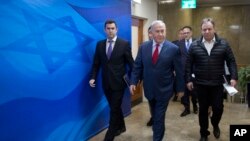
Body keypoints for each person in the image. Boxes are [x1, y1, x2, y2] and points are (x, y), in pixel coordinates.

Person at [130, 20, 184, 141]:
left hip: (165, 90)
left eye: (162, 31)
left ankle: (157, 137)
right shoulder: (144, 47)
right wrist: (133, 81)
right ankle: (158, 131)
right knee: (155, 116)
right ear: (151, 33)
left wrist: (180, 89)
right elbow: (138, 66)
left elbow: (179, 71)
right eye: (157, 31)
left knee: (158, 117)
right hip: (149, 89)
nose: (160, 34)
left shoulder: (173, 49)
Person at [185, 18, 238, 141]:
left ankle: (215, 123)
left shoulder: (223, 44)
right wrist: (188, 80)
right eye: (204, 29)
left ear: (214, 29)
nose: (207, 31)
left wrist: (234, 77)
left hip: (217, 84)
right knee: (202, 110)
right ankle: (204, 133)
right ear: (201, 30)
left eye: (209, 29)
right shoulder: (194, 45)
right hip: (201, 84)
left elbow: (231, 61)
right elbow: (188, 65)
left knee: (218, 108)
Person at [89, 19, 134, 141]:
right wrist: (93, 77)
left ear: (116, 29)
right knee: (115, 107)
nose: (110, 31)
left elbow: (132, 64)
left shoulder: (124, 44)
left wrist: (133, 82)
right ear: (105, 30)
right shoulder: (100, 45)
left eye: (112, 28)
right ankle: (122, 126)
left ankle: (109, 135)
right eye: (108, 28)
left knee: (114, 109)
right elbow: (96, 64)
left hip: (119, 84)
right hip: (106, 83)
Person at [179, 26, 198, 117]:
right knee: (185, 92)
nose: (186, 34)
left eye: (187, 32)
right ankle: (186, 109)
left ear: (191, 33)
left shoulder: (197, 43)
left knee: (194, 91)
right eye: (184, 33)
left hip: (194, 72)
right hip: (183, 72)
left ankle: (195, 106)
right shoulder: (180, 43)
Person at [172, 28, 184, 102]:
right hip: (175, 67)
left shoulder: (188, 44)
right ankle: (176, 94)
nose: (182, 35)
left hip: (184, 67)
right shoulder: (173, 43)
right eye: (180, 34)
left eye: (183, 34)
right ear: (178, 35)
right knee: (175, 82)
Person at [146, 25, 153, 127]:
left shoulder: (167, 47)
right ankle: (153, 116)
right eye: (150, 33)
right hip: (148, 81)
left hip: (161, 84)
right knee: (151, 102)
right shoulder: (144, 46)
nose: (151, 35)